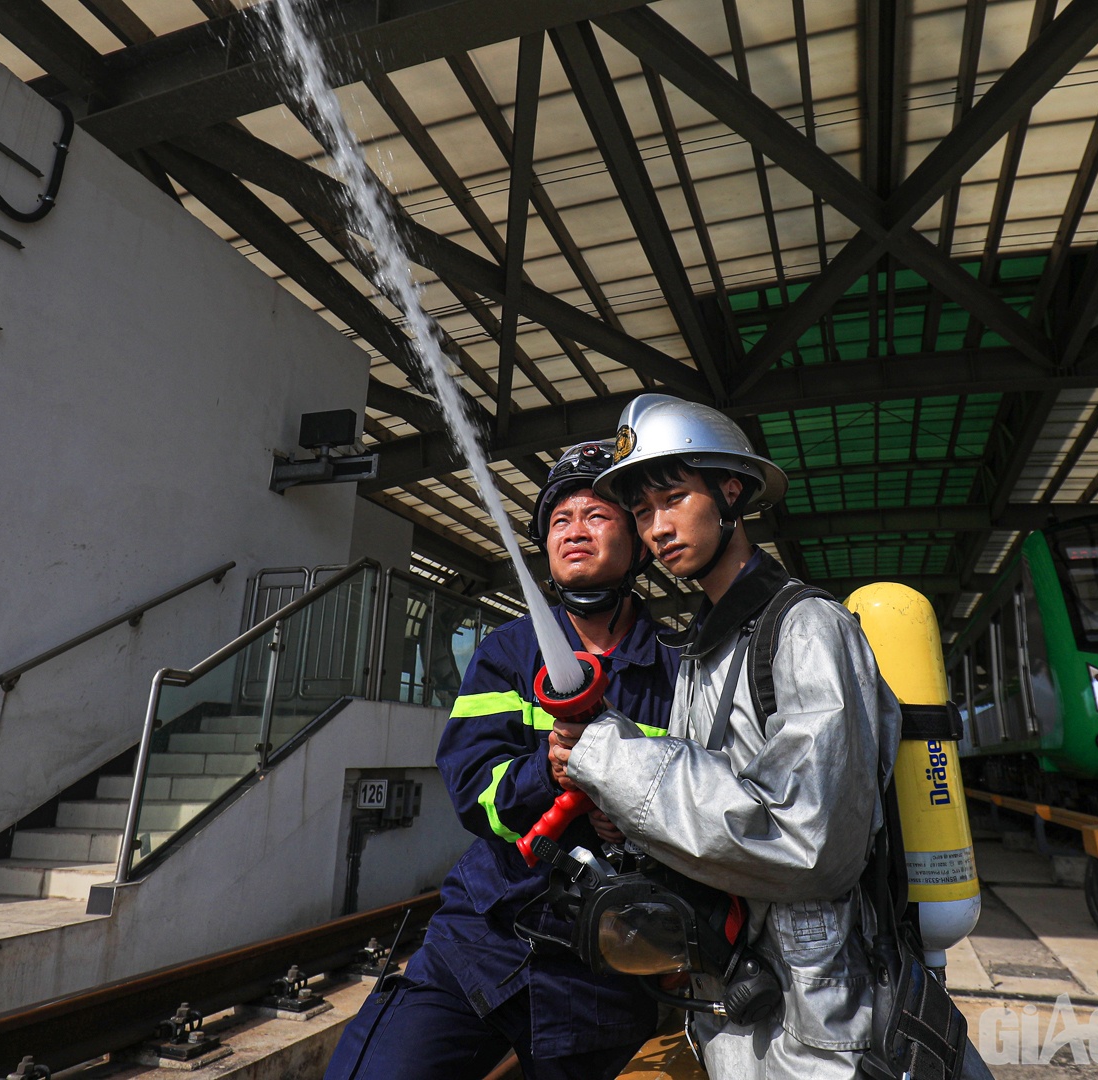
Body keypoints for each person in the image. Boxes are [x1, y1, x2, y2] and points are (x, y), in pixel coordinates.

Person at [550, 395, 903, 1079]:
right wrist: (630, 816)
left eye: (674, 499)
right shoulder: (704, 649)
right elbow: (712, 795)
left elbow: (809, 841)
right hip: (736, 1002)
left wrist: (608, 756)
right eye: (642, 512)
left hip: (817, 1019)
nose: (657, 528)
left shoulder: (807, 630)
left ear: (731, 493)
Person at [324, 440, 682, 1080]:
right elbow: (471, 790)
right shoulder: (508, 653)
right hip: (484, 935)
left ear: (637, 540)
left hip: (606, 968)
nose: (574, 531)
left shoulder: (680, 672)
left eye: (596, 515)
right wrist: (547, 771)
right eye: (559, 520)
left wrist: (634, 820)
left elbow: (706, 803)